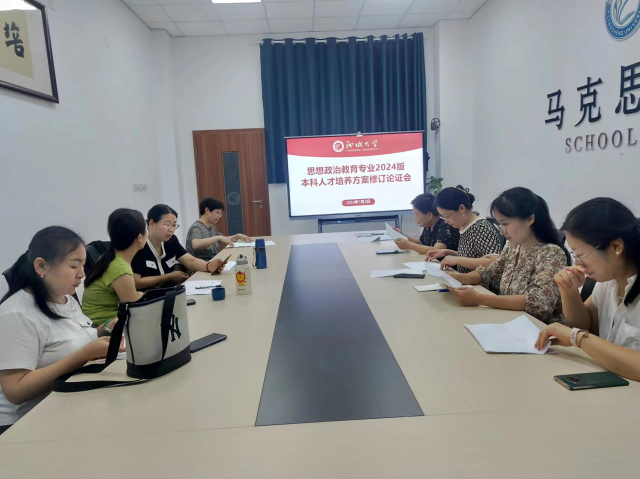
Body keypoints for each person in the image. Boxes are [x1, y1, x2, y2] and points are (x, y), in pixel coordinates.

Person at [0, 227, 124, 435]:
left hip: (64, 403)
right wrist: (84, 355)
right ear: (41, 266)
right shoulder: (16, 314)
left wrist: (103, 331)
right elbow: (16, 391)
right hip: (22, 425)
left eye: (83, 265)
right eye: (74, 265)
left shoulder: (65, 298)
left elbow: (66, 340)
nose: (82, 274)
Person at [536, 198, 640, 380]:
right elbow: (585, 325)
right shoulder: (608, 281)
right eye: (574, 255)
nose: (578, 264)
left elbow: (580, 333)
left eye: (581, 255)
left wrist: (578, 338)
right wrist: (568, 290)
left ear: (616, 247)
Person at [444, 188, 571, 324]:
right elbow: (490, 274)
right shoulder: (513, 246)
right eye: (500, 224)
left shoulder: (551, 253)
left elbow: (539, 303)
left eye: (505, 224)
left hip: (538, 329)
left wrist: (479, 298)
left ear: (530, 219)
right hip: (509, 320)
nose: (502, 231)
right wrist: (456, 278)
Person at [132, 204, 224, 291]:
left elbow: (190, 261)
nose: (171, 229)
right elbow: (136, 283)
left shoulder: (171, 241)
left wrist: (208, 266)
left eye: (174, 225)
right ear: (152, 223)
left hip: (170, 293)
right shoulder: (140, 245)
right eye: (167, 224)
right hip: (148, 298)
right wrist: (168, 277)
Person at [81, 209, 147, 327]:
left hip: (99, 322)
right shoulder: (120, 269)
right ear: (140, 237)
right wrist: (141, 295)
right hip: (103, 327)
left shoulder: (110, 257)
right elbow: (134, 309)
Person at [426, 185, 502, 272]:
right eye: (443, 217)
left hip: (476, 280)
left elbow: (494, 262)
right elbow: (472, 256)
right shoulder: (465, 227)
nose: (446, 221)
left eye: (446, 216)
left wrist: (458, 260)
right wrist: (448, 252)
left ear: (461, 208)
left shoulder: (481, 228)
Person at [186, 196, 251, 261]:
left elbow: (223, 239)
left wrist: (237, 236)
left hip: (212, 262)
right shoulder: (196, 227)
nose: (220, 216)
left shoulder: (212, 227)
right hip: (199, 265)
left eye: (221, 213)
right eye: (217, 212)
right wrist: (218, 238)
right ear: (207, 210)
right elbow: (196, 244)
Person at [392, 193, 459, 255]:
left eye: (417, 215)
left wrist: (409, 245)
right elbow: (420, 242)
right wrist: (402, 235)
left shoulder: (445, 227)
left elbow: (436, 250)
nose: (414, 217)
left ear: (429, 215)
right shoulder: (428, 226)